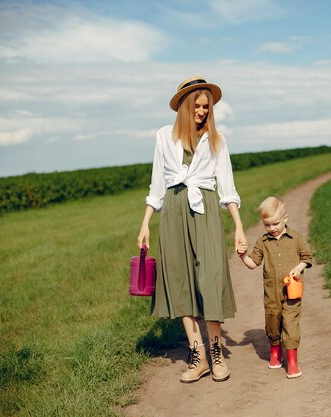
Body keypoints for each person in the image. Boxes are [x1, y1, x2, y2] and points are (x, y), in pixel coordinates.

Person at [137, 76, 246, 383]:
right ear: (185, 106)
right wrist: (146, 222)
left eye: (206, 107)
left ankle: (216, 353)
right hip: (173, 212)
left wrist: (238, 226)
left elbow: (227, 187)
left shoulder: (216, 140)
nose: (202, 111)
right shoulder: (163, 136)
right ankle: (197, 354)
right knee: (180, 278)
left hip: (205, 210)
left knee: (210, 278)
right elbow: (157, 183)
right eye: (197, 106)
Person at [237, 196, 312, 379]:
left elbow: (307, 258)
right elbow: (253, 264)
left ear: (285, 218)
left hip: (292, 292)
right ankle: (275, 351)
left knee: (291, 324)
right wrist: (242, 256)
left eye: (275, 223)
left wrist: (298, 268)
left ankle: (292, 361)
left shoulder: (296, 239)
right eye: (267, 225)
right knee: (273, 323)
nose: (272, 228)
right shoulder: (263, 242)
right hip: (271, 294)